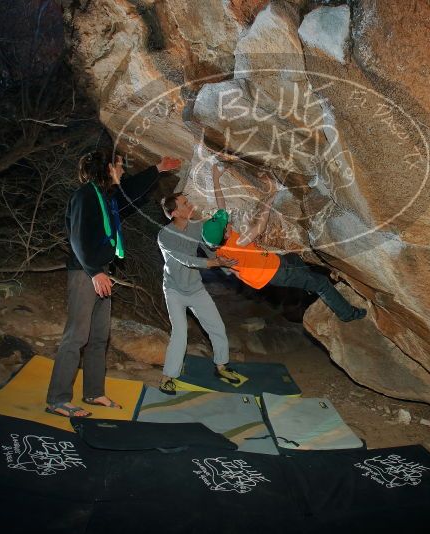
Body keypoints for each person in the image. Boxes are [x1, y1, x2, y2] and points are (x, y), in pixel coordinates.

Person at [45, 148, 181, 417]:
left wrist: (157, 168)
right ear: (107, 168)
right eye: (118, 166)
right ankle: (57, 399)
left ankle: (94, 392)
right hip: (86, 274)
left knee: (98, 338)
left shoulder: (106, 199)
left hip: (100, 272)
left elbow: (129, 191)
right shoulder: (85, 196)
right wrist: (95, 272)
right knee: (76, 337)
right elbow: (76, 238)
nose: (121, 170)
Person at [202, 163, 367, 322]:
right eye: (227, 227)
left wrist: (216, 177)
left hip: (267, 264)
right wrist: (270, 197)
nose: (228, 223)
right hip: (273, 273)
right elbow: (259, 227)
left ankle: (307, 284)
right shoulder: (238, 243)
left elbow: (221, 205)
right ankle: (347, 314)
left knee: (295, 259)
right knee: (321, 283)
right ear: (226, 235)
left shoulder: (216, 243)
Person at [156, 191, 241, 395]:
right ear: (175, 212)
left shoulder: (197, 226)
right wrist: (213, 263)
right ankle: (167, 377)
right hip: (174, 290)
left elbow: (209, 248)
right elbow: (186, 259)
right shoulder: (164, 236)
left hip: (195, 287)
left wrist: (227, 267)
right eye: (185, 203)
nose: (190, 205)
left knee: (217, 326)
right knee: (180, 334)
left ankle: (221, 366)